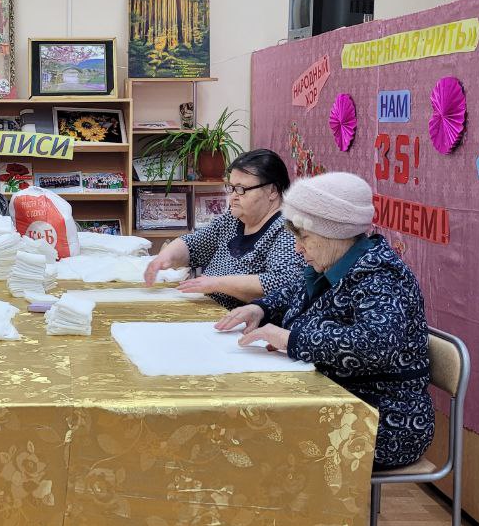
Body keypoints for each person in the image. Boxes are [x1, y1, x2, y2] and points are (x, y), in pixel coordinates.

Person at [216, 172, 433, 469]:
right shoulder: (336, 263)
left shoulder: (381, 277)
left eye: (304, 237)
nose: (297, 248)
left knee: (251, 437)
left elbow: (375, 345)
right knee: (242, 423)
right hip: (335, 400)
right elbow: (297, 293)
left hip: (382, 419)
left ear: (334, 234)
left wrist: (290, 339)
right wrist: (261, 309)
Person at [144, 149, 303, 309]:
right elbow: (193, 245)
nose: (233, 197)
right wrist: (163, 258)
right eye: (231, 188)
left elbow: (283, 283)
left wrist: (217, 284)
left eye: (241, 189)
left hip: (243, 319)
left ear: (272, 191)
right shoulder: (233, 219)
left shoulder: (287, 230)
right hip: (209, 308)